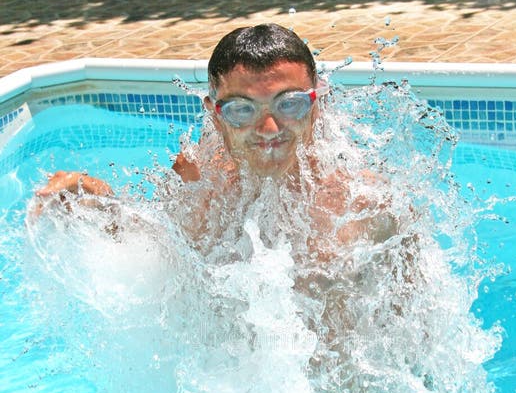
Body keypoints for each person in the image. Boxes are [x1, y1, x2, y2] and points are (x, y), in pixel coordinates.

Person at [35, 23, 407, 266]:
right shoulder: (199, 178)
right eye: (242, 110)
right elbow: (150, 245)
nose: (269, 127)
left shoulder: (365, 207)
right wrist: (94, 201)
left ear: (316, 105)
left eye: (289, 103)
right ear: (215, 116)